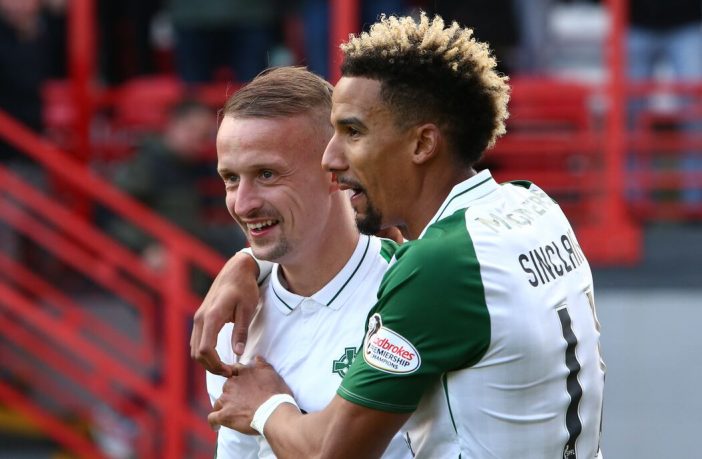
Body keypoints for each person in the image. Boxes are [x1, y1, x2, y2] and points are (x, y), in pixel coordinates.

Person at [197, 14, 605, 458]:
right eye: (230, 178)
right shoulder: (533, 207)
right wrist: (251, 260)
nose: (332, 159)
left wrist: (265, 406)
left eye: (354, 132)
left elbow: (332, 452)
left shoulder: (434, 269)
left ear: (422, 144)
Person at [205, 66, 411, 458]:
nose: (243, 204)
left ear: (336, 170)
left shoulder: (410, 290)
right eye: (230, 178)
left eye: (267, 174)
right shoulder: (232, 319)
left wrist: (268, 410)